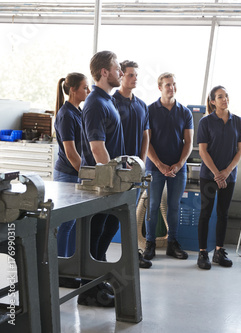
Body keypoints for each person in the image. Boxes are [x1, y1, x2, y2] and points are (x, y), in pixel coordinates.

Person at [78, 50, 124, 307]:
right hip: (101, 182)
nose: (120, 72)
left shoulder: (108, 100)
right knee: (96, 232)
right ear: (104, 72)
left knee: (109, 228)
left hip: (111, 180)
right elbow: (97, 148)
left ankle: (97, 281)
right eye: (117, 68)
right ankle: (88, 291)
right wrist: (112, 179)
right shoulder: (95, 103)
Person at [144, 72, 193, 261]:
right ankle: (150, 244)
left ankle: (173, 243)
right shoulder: (149, 110)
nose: (171, 88)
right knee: (153, 206)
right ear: (159, 88)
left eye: (173, 84)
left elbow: (188, 142)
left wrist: (179, 164)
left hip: (178, 168)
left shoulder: (185, 112)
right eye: (167, 85)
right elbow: (146, 142)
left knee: (174, 206)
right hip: (155, 167)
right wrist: (160, 164)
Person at [196, 85, 241, 270]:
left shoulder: (239, 122)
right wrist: (217, 173)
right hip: (209, 176)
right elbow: (203, 151)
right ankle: (203, 253)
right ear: (212, 101)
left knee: (223, 214)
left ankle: (219, 251)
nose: (224, 99)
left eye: (226, 96)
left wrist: (226, 172)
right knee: (206, 213)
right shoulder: (205, 122)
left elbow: (240, 150)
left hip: (229, 176)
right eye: (220, 97)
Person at [113, 60, 152, 269]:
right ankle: (101, 258)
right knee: (111, 218)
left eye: (136, 75)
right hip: (117, 171)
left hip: (135, 171)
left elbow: (146, 136)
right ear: (120, 76)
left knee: (130, 216)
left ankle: (132, 256)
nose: (135, 78)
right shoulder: (111, 103)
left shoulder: (141, 105)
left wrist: (142, 163)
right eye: (130, 75)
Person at [54, 72, 90, 288]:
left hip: (75, 174)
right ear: (74, 89)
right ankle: (60, 272)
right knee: (66, 225)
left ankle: (68, 268)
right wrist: (87, 174)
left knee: (73, 224)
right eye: (85, 87)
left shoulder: (78, 111)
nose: (88, 91)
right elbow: (71, 152)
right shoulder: (66, 115)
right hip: (68, 174)